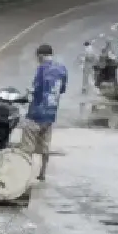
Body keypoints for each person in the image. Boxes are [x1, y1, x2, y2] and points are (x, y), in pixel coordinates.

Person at [22, 42, 68, 182]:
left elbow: (36, 89)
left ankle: (25, 174)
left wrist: (27, 94)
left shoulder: (41, 69)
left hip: (36, 113)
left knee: (27, 146)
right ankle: (42, 173)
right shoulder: (62, 69)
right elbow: (62, 90)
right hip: (51, 114)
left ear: (41, 56)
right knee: (45, 145)